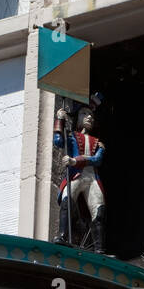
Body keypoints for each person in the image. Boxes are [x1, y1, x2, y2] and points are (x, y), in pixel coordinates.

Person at [54, 103, 107, 255]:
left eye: (91, 114)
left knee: (98, 209)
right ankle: (63, 236)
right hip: (76, 175)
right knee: (68, 200)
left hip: (91, 178)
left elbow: (97, 160)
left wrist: (75, 161)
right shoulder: (70, 137)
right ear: (77, 118)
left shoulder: (98, 143)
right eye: (84, 113)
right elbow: (58, 141)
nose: (89, 117)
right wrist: (60, 121)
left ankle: (99, 247)